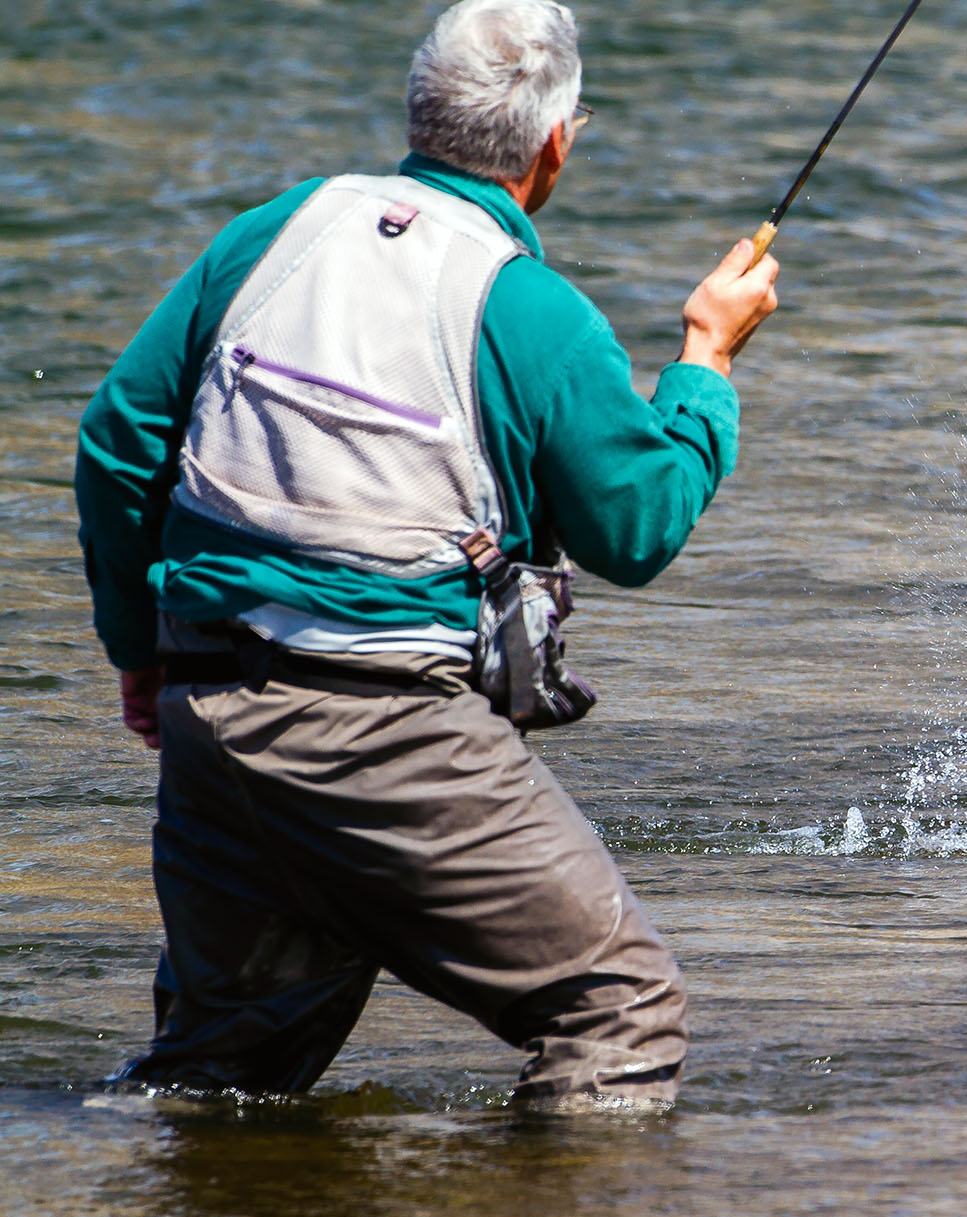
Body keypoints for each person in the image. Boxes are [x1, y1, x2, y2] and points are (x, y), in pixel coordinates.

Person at [73, 0, 778, 1107]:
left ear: (419, 112)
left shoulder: (274, 232)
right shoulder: (528, 307)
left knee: (225, 1069)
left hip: (213, 718)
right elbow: (639, 527)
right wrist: (706, 358)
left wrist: (141, 650)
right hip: (387, 730)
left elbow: (118, 443)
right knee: (619, 1006)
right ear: (556, 143)